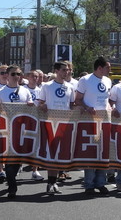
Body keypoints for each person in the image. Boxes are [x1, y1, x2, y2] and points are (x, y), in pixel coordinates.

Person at [0, 65, 34, 198]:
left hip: (21, 130)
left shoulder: (25, 91)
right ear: (7, 75)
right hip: (6, 130)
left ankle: (12, 179)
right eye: (13, 74)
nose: (16, 77)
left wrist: (30, 105)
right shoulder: (0, 92)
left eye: (18, 74)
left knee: (17, 159)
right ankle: (12, 186)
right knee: (10, 159)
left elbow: (31, 109)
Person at [74, 57, 112, 196]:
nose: (110, 70)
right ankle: (89, 184)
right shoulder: (85, 80)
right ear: (99, 68)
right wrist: (87, 107)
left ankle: (101, 183)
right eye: (108, 67)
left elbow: (107, 100)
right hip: (89, 121)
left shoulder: (108, 81)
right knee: (90, 153)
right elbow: (77, 100)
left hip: (104, 121)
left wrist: (109, 108)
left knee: (103, 152)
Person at [36, 61, 75, 194]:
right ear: (57, 71)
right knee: (51, 154)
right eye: (64, 70)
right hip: (50, 124)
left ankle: (54, 181)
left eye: (68, 70)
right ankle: (50, 182)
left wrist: (81, 108)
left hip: (64, 124)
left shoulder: (70, 87)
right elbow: (39, 103)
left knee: (60, 154)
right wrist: (42, 106)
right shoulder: (47, 86)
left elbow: (71, 106)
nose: (67, 72)